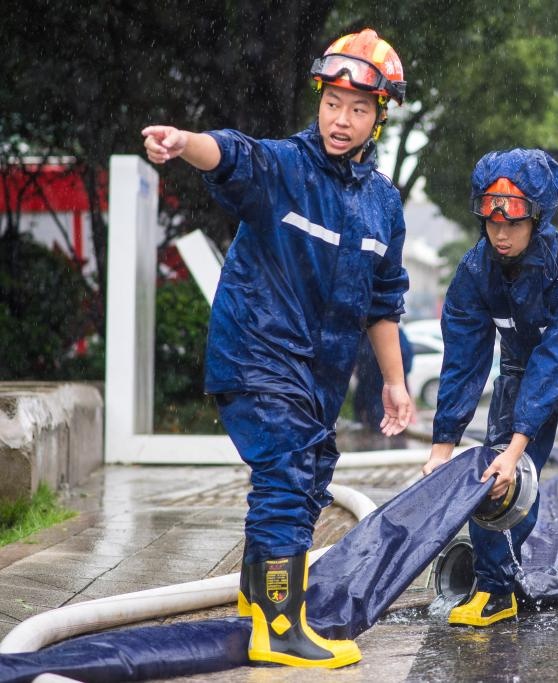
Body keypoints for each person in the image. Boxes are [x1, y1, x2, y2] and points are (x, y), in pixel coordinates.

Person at [141, 28, 412, 669]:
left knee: (307, 472)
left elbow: (383, 301)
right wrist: (185, 144)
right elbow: (233, 155)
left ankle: (255, 601)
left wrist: (396, 383)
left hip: (315, 373)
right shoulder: (285, 169)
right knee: (290, 472)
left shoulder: (382, 204)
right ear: (318, 101)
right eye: (332, 104)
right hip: (257, 352)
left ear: (379, 118)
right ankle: (279, 625)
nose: (341, 120)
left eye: (358, 109)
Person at [422, 148, 558, 627]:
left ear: (538, 218)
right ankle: (496, 589)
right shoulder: (473, 273)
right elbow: (463, 360)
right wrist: (441, 449)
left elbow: (557, 363)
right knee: (496, 471)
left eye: (514, 223)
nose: (500, 234)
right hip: (525, 363)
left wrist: (519, 445)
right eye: (491, 222)